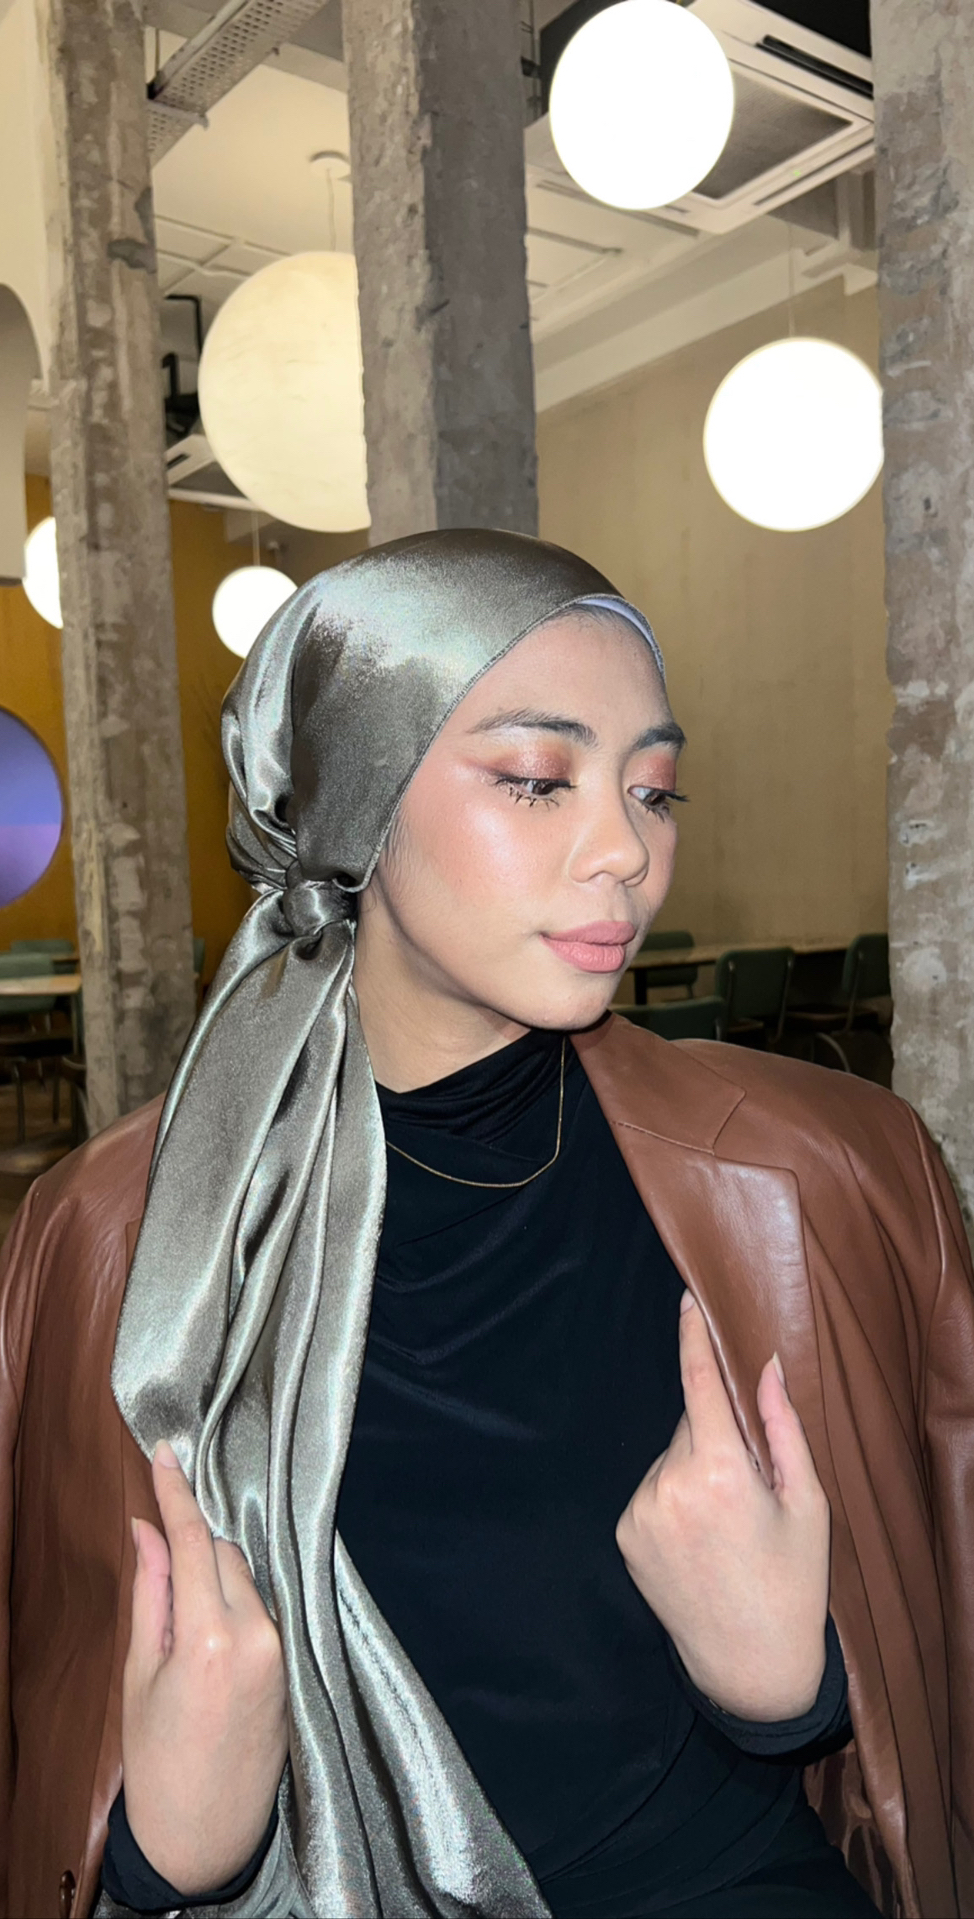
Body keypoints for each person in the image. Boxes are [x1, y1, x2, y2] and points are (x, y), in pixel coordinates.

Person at [0, 531, 970, 1919]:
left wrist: (793, 1686)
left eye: (654, 789)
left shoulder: (828, 1171)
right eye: (536, 778)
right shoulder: (110, 1242)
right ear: (356, 799)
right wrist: (164, 1850)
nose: (627, 851)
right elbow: (48, 1687)